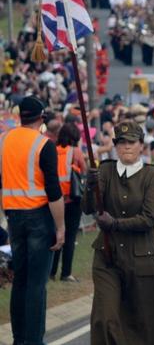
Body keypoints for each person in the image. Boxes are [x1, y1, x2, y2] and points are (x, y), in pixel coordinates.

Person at [82, 120, 154, 345]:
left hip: (142, 258)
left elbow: (150, 218)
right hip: (107, 256)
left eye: (131, 142)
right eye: (121, 142)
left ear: (141, 145)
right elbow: (88, 207)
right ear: (115, 146)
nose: (126, 147)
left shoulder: (153, 175)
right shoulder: (104, 170)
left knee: (144, 323)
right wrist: (89, 186)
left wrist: (115, 224)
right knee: (105, 318)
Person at [0, 96, 65, 345]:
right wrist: (60, 228)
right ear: (41, 118)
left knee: (21, 280)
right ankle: (34, 340)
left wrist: (7, 212)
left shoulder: (3, 140)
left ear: (19, 116)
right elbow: (54, 191)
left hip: (14, 216)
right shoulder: (44, 145)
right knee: (37, 284)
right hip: (39, 216)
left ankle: (19, 339)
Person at [50, 122, 87, 282]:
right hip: (72, 199)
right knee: (70, 237)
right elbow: (84, 170)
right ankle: (66, 273)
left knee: (56, 234)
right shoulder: (76, 151)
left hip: (54, 200)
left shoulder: (51, 149)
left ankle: (51, 272)